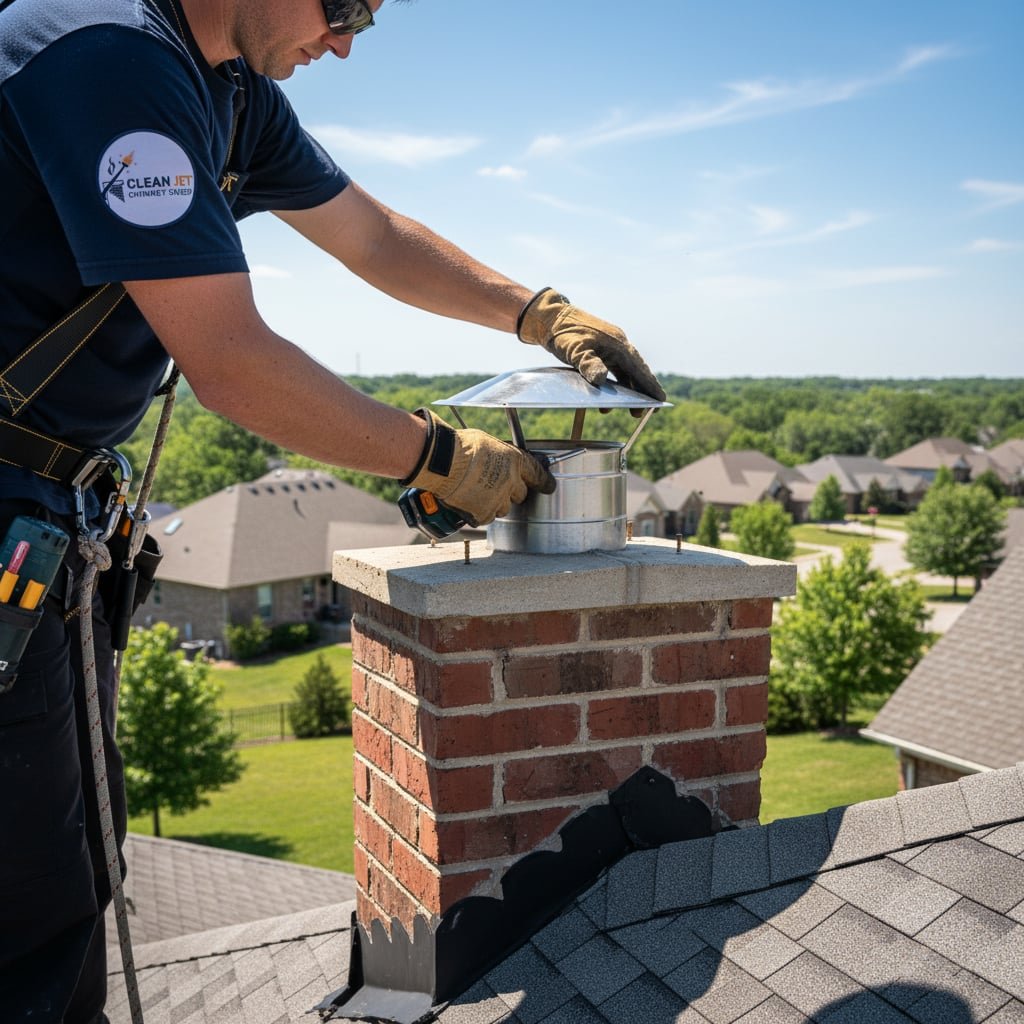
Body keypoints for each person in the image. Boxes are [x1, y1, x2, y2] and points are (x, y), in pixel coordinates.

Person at [0, 0, 665, 1020]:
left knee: (71, 857)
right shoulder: (108, 58)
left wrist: (536, 313)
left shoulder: (230, 92)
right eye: (344, 4)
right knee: (27, 904)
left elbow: (374, 236)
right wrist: (438, 457)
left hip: (47, 505)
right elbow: (231, 362)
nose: (348, 42)